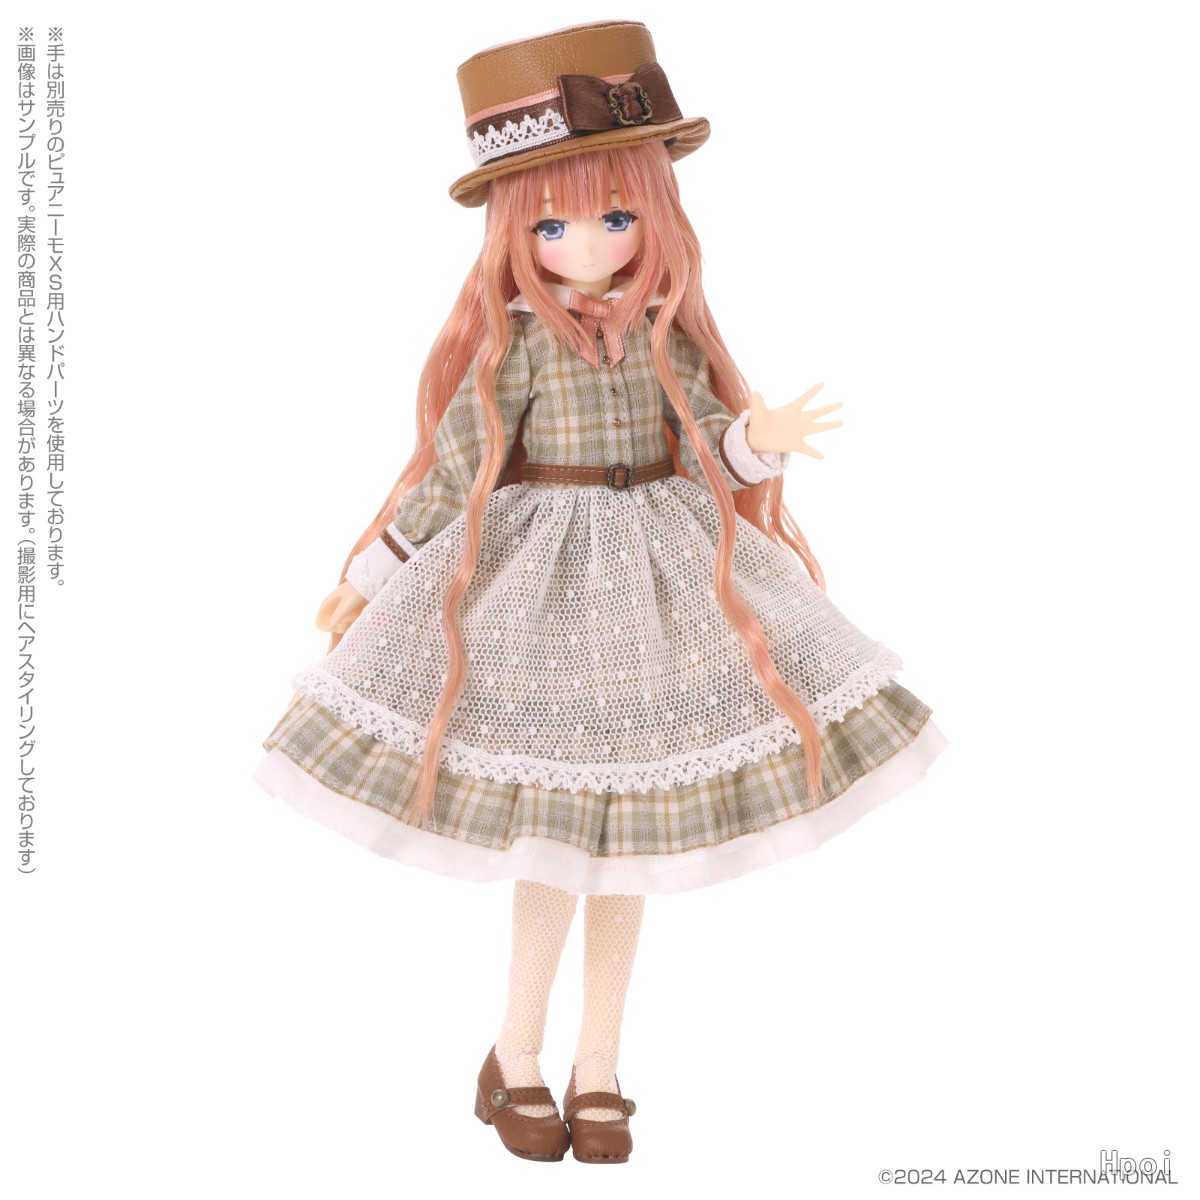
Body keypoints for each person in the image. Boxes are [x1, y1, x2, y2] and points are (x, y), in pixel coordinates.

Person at [253, 19, 947, 1165]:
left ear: (656, 215)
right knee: (555, 839)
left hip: (665, 587)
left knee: (635, 846)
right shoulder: (519, 346)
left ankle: (599, 1066)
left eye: (617, 216)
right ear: (514, 230)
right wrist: (367, 578)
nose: (587, 243)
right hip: (545, 592)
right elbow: (456, 473)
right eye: (554, 223)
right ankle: (517, 1053)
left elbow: (709, 444)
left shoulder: (665, 338)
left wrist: (760, 441)